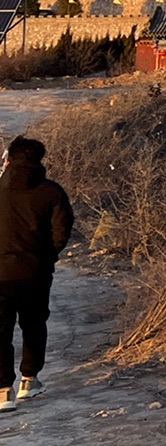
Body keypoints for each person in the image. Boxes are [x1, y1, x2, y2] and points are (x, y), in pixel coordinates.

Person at [0, 136, 74, 413]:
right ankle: (29, 381)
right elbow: (62, 231)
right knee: (33, 323)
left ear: (9, 158)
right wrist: (47, 256)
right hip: (35, 272)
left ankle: (3, 391)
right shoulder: (52, 192)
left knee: (1, 331)